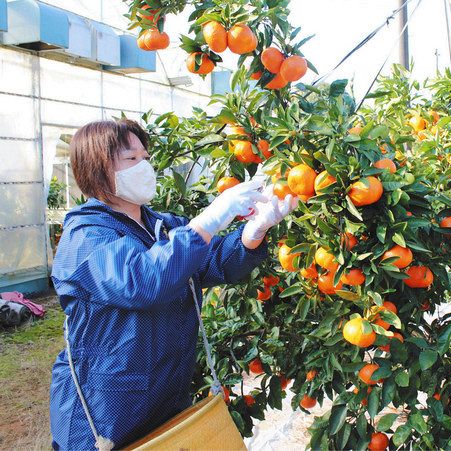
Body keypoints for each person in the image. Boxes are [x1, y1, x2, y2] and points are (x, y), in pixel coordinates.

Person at [49, 119, 297, 450]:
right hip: (103, 409)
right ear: (97, 168)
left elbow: (211, 261)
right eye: (131, 159)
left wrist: (254, 232)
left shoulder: (161, 226)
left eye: (145, 157)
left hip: (163, 397)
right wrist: (206, 222)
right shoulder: (86, 236)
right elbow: (141, 280)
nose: (144, 166)